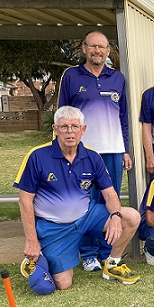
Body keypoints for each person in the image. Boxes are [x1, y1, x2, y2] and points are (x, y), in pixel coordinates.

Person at [13, 106, 140, 290]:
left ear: (83, 130)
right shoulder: (37, 156)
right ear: (55, 130)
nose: (70, 132)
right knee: (62, 284)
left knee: (131, 216)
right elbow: (25, 200)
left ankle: (112, 265)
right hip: (54, 226)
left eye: (74, 126)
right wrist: (31, 240)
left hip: (87, 216)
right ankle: (37, 256)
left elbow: (110, 193)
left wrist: (115, 216)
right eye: (64, 127)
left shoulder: (93, 157)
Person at [58, 30, 132, 272]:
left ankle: (104, 251)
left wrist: (125, 150)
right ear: (84, 49)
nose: (97, 51)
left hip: (112, 150)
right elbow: (62, 116)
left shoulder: (118, 79)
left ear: (108, 51)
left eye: (102, 47)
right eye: (93, 46)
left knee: (111, 204)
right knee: (86, 204)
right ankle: (88, 253)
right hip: (83, 153)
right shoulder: (70, 76)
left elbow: (123, 118)